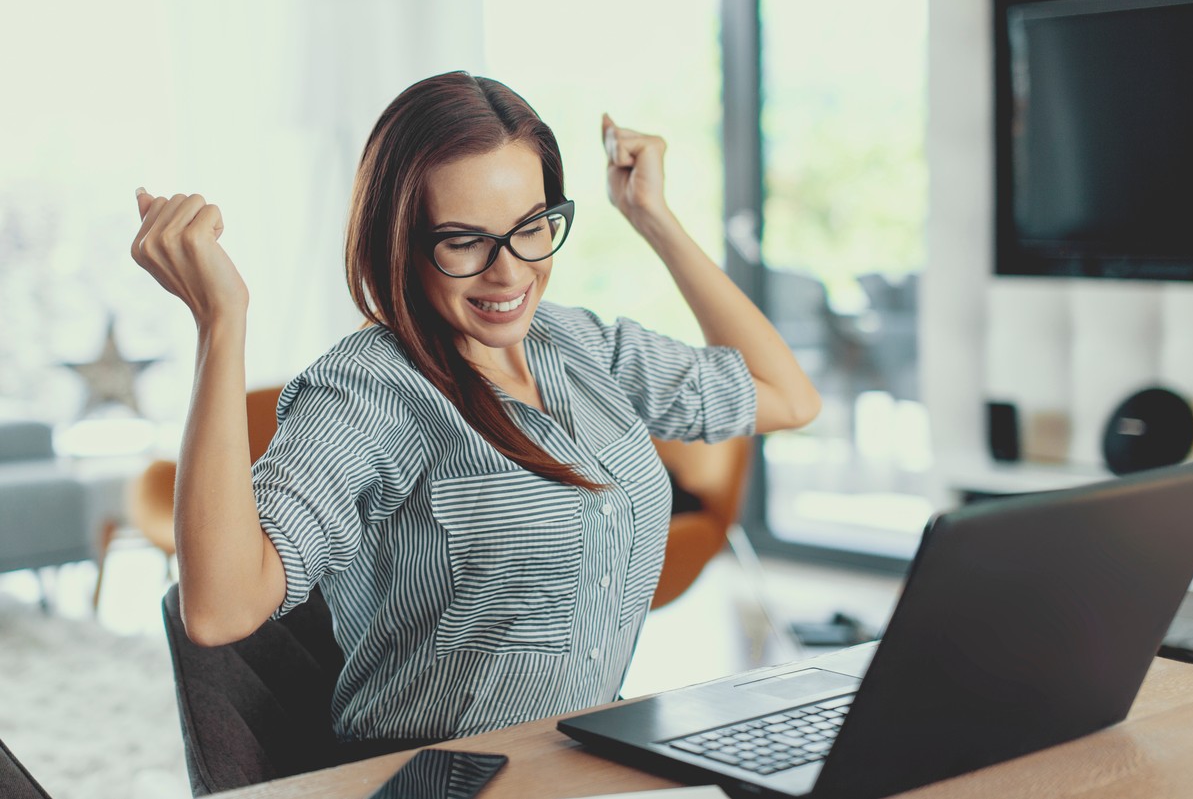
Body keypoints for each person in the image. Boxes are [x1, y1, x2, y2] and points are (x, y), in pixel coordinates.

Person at [130, 71, 820, 744]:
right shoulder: (367, 390)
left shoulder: (581, 345)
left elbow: (787, 396)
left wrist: (653, 218)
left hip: (575, 768)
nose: (511, 271)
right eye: (465, 241)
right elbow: (219, 609)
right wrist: (221, 321)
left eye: (532, 226)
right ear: (399, 241)